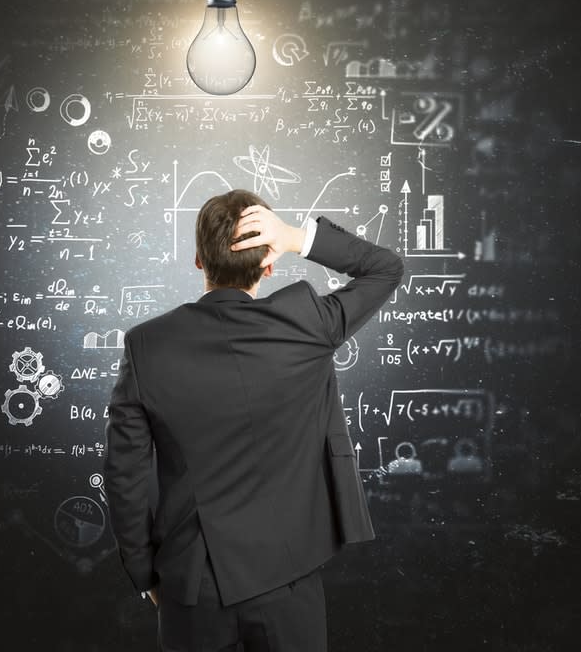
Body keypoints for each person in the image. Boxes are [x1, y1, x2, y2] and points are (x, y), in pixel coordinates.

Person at [104, 189, 404, 651]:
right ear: (269, 264)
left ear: (199, 261)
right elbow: (385, 267)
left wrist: (146, 574)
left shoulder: (145, 346)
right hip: (288, 577)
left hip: (189, 584)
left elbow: (125, 475)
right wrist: (294, 237)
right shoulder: (308, 323)